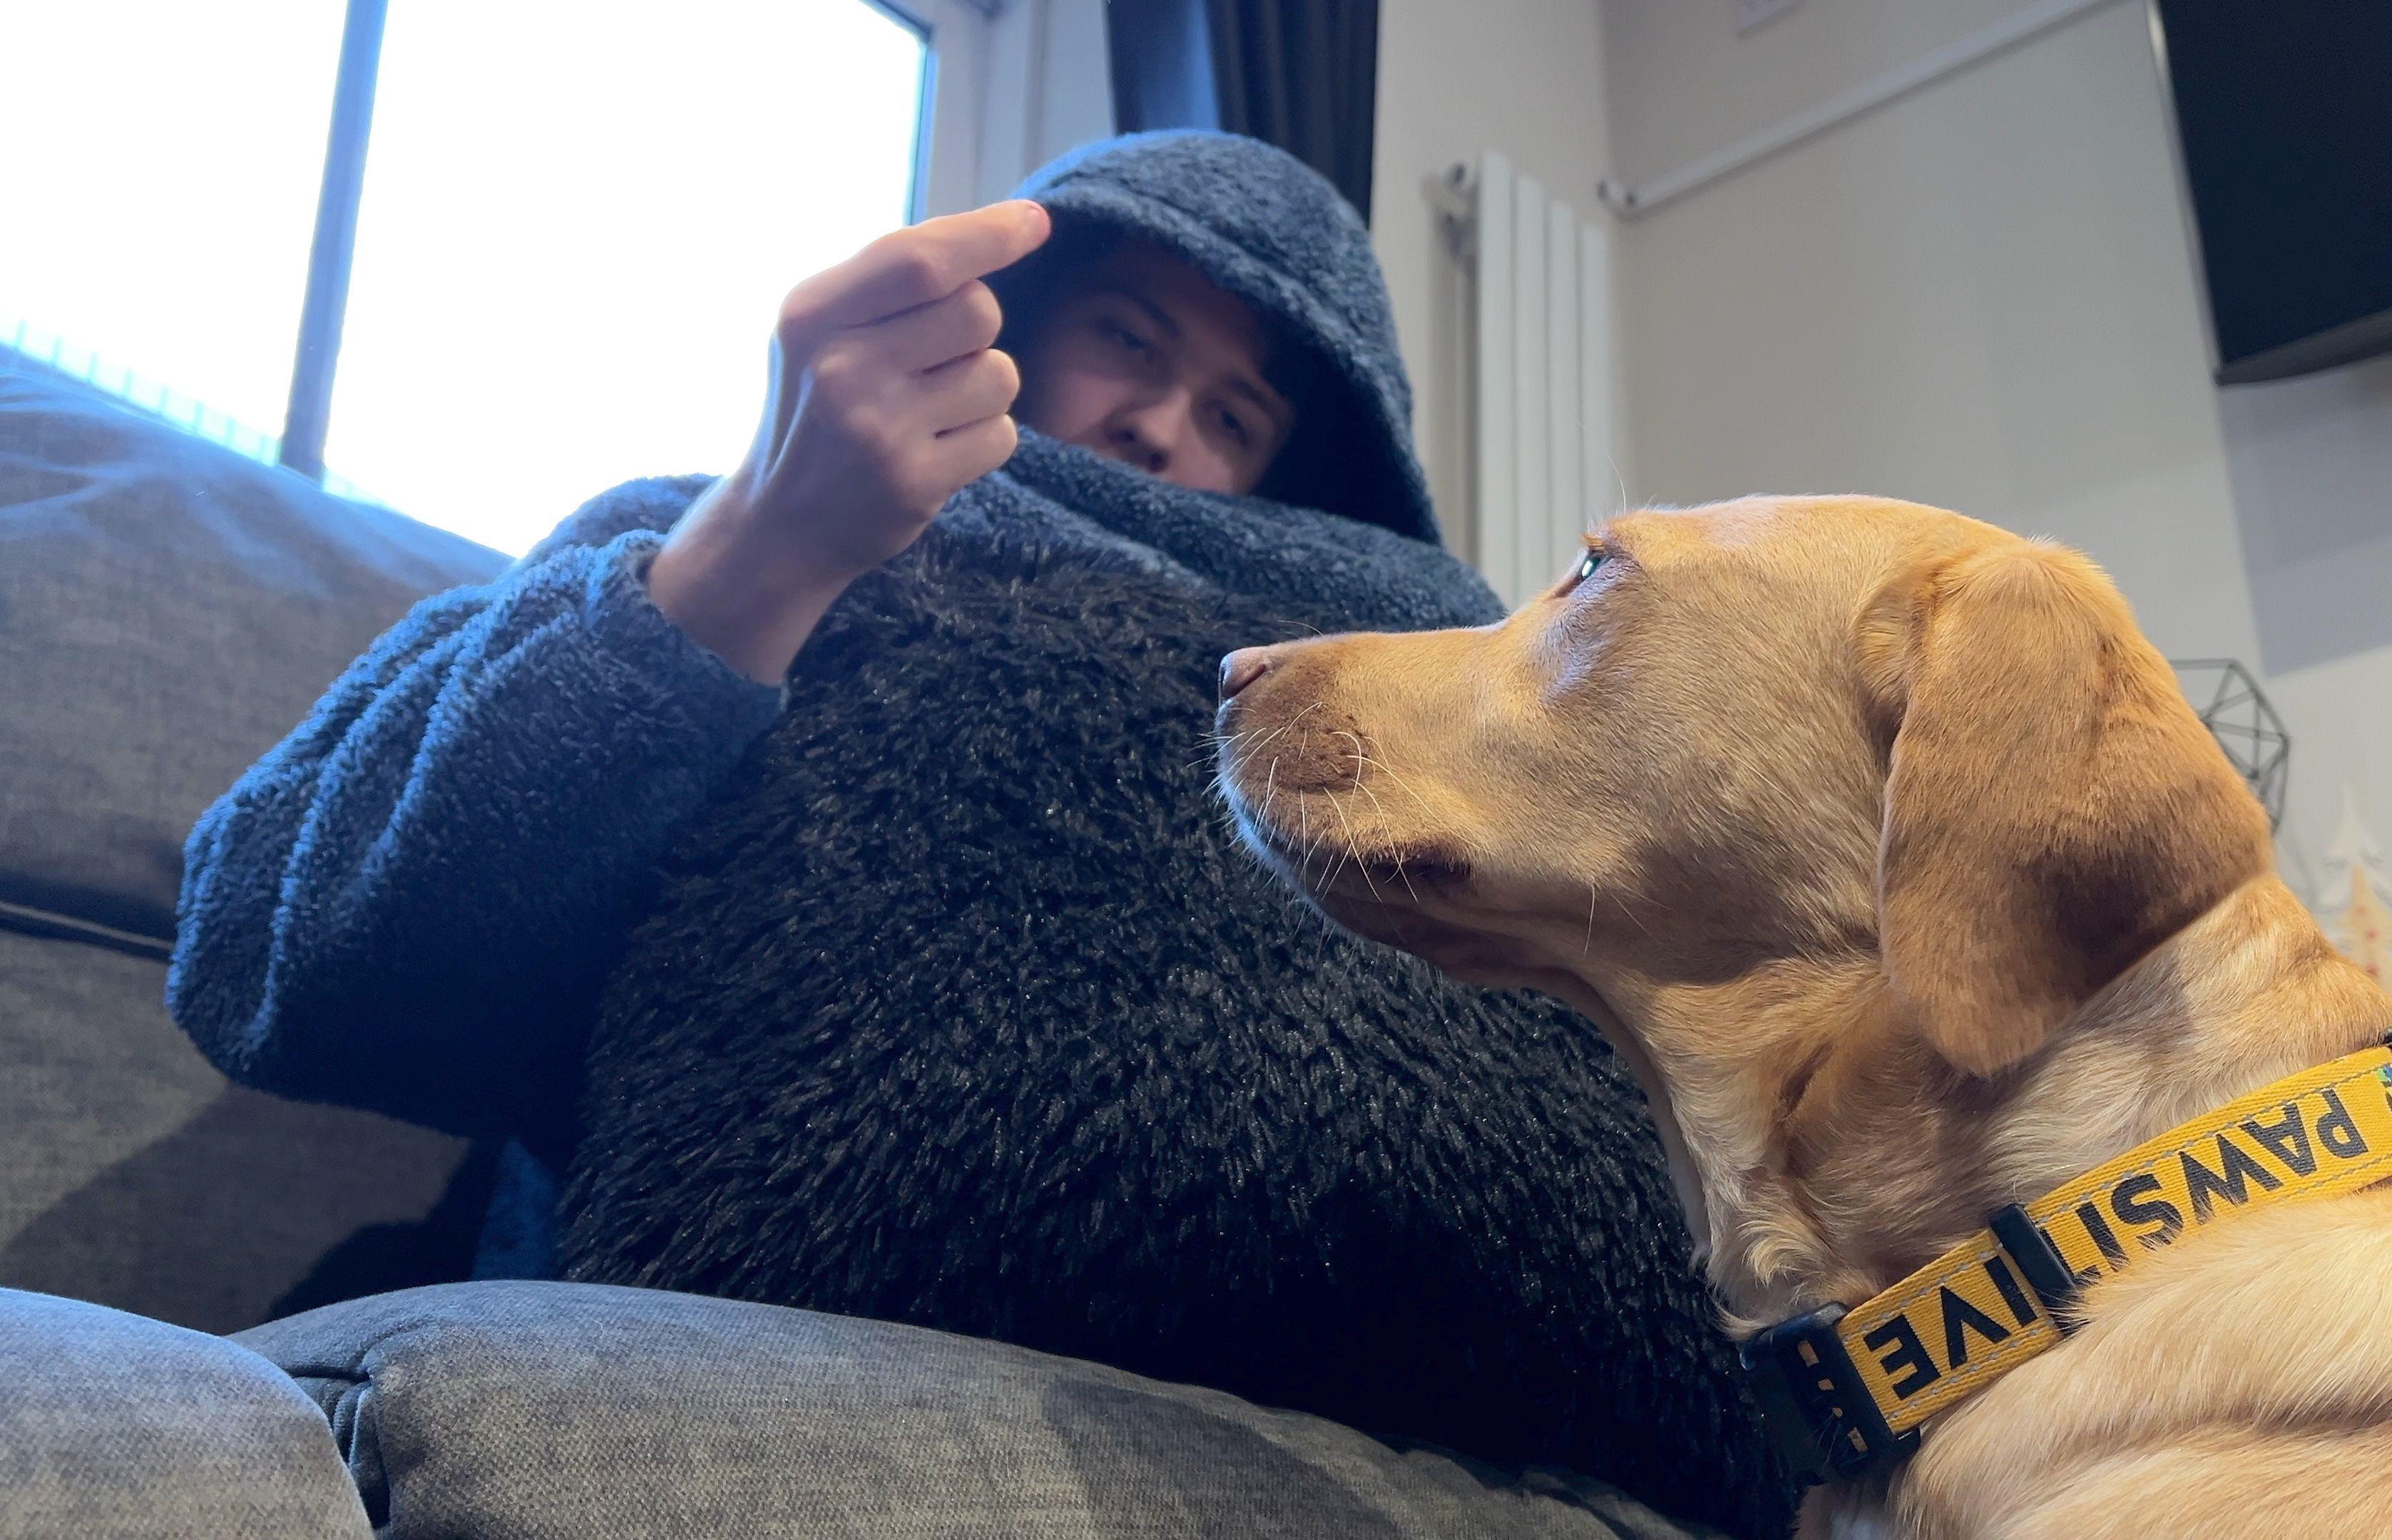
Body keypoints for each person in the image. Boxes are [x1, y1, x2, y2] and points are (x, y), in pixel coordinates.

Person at [170, 131, 1769, 1530]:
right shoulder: (703, 534)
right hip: (749, 1388)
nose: (1164, 429)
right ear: (1001, 321)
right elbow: (275, 950)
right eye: (1124, 339)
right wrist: (750, 565)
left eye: (1237, 414)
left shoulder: (1422, 672)